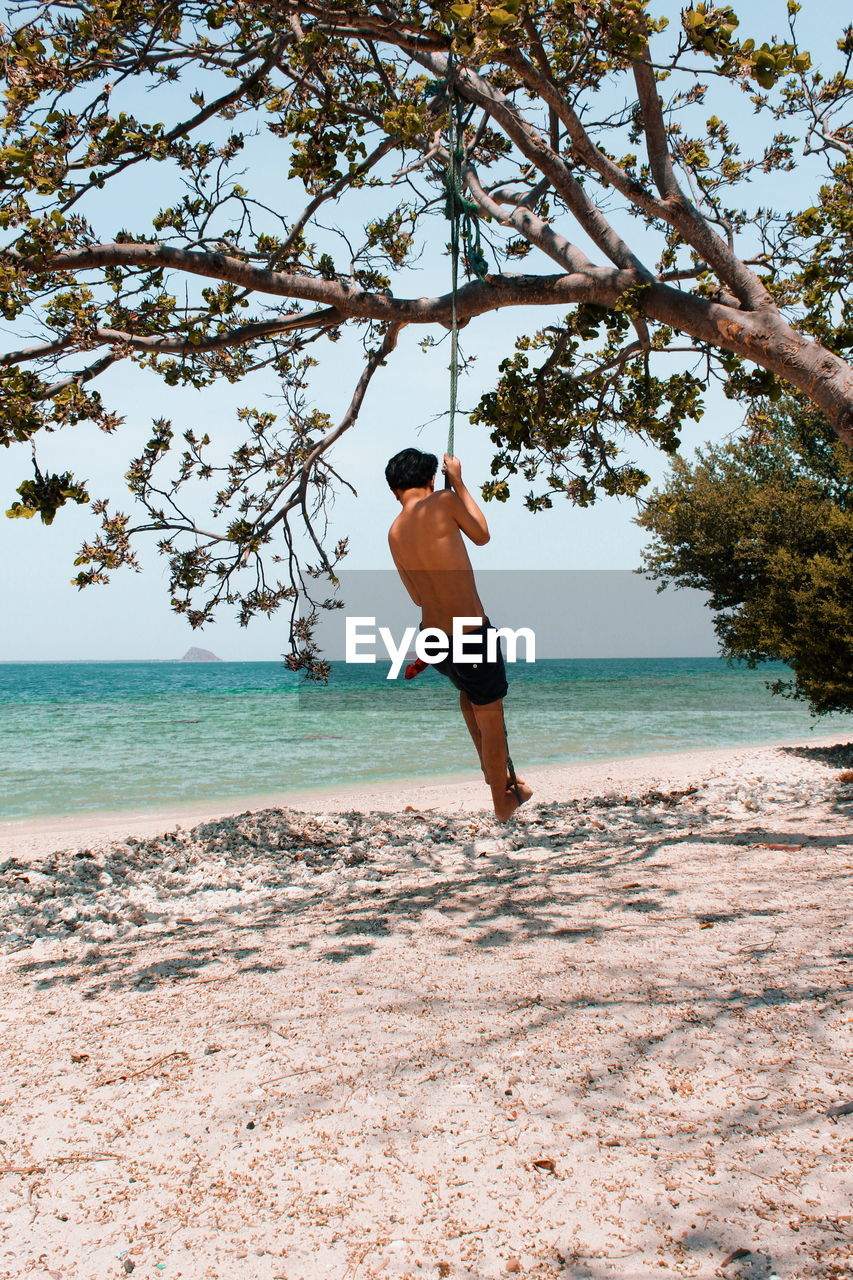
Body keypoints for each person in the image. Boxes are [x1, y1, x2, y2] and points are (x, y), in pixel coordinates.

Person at [386, 446, 532, 821]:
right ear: (431, 479)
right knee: (492, 717)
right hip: (469, 635)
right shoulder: (445, 500)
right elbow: (481, 535)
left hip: (433, 639)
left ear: (394, 490)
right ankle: (503, 803)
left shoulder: (394, 532)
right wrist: (461, 484)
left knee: (470, 698)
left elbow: (417, 594)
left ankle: (492, 771)